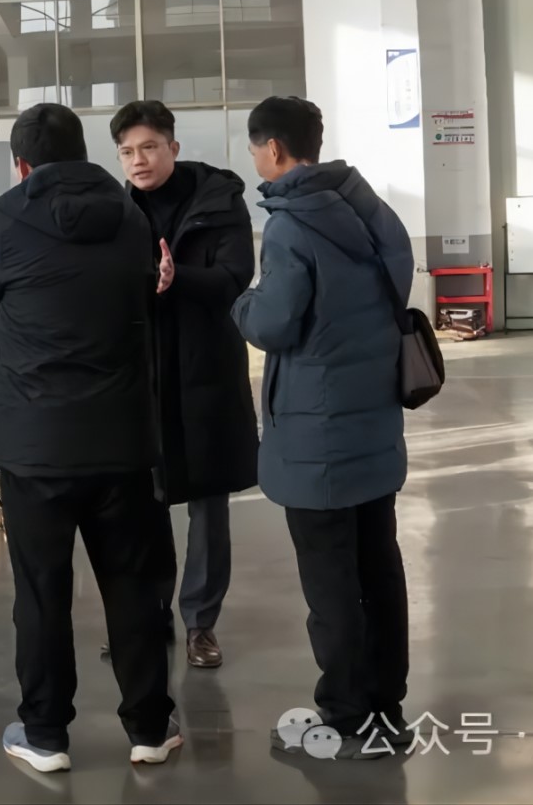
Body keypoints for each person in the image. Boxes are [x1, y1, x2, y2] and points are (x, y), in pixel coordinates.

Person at [0, 102, 182, 773]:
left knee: (40, 593)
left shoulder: (2, 218)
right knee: (133, 586)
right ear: (85, 153)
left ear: (21, 164)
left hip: (37, 444)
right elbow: (145, 292)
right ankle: (150, 728)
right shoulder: (130, 216)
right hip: (122, 438)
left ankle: (44, 734)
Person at [230, 96, 413, 761]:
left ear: (274, 150)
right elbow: (396, 281)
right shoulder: (369, 210)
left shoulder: (289, 226)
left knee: (330, 586)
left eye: (255, 148)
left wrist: (241, 302)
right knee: (379, 571)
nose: (255, 159)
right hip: (374, 426)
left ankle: (343, 717)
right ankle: (385, 708)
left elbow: (273, 323)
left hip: (317, 441)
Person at [110, 100, 259, 671]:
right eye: (127, 151)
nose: (139, 160)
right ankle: (148, 617)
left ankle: (200, 623)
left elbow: (235, 277)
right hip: (142, 373)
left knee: (207, 502)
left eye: (149, 147)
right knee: (142, 503)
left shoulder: (218, 202)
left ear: (173, 147)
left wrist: (180, 279)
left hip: (205, 370)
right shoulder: (118, 211)